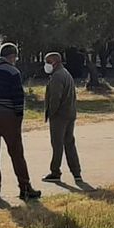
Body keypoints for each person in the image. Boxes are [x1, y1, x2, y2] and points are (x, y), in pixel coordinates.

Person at [0, 42, 39, 201]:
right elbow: (18, 97)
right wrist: (18, 117)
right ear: (12, 56)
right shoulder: (13, 72)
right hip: (7, 114)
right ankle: (25, 187)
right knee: (16, 152)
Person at [42, 51, 82, 183]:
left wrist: (51, 113)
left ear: (54, 62)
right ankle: (76, 172)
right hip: (70, 113)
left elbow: (55, 98)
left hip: (60, 116)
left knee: (57, 144)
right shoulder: (66, 74)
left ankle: (55, 172)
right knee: (69, 143)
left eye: (47, 62)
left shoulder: (57, 76)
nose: (46, 65)